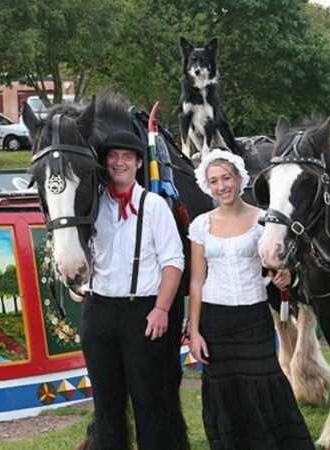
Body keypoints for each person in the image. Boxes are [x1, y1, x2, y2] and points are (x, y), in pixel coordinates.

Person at [187, 149, 315, 450]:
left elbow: (278, 270)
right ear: (208, 185)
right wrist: (193, 333)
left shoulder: (262, 220)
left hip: (254, 316)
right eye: (214, 181)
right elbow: (196, 281)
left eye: (226, 178)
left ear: (239, 178)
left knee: (265, 384)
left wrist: (286, 277)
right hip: (215, 321)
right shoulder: (201, 225)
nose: (222, 186)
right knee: (223, 390)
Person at [80, 129, 187, 449]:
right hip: (97, 311)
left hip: (142, 312)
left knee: (148, 400)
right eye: (113, 156)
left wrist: (162, 309)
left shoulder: (154, 206)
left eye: (127, 156)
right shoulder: (92, 205)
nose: (119, 162)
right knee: (106, 403)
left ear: (139, 162)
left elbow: (174, 262)